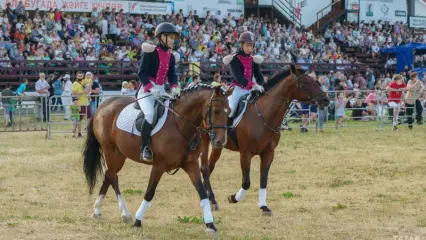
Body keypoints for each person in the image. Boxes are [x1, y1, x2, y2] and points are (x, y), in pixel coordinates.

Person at [136, 22, 181, 162]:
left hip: (162, 90)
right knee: (149, 114)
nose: (174, 40)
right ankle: (144, 148)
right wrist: (150, 87)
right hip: (146, 90)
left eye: (174, 37)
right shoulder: (150, 51)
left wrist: (175, 86)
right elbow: (141, 73)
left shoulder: (171, 56)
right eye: (171, 37)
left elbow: (172, 75)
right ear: (162, 37)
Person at [222, 31, 265, 118]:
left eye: (251, 46)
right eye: (247, 45)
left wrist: (261, 85)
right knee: (231, 109)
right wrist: (253, 85)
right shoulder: (234, 59)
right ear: (241, 45)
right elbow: (239, 78)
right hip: (237, 89)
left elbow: (258, 75)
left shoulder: (253, 60)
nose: (249, 48)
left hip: (250, 89)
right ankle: (228, 129)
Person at [72, 71, 92, 137]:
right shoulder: (75, 83)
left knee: (89, 118)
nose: (80, 77)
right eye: (79, 76)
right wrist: (83, 92)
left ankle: (88, 131)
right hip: (79, 103)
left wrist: (88, 86)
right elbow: (74, 93)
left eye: (81, 76)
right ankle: (79, 133)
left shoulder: (85, 81)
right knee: (79, 119)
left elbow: (89, 90)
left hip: (86, 103)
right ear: (76, 76)